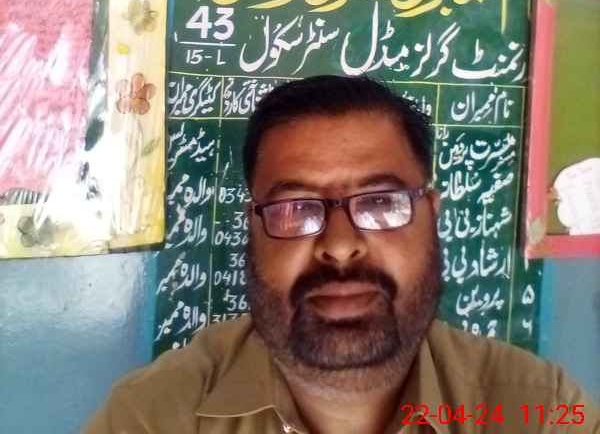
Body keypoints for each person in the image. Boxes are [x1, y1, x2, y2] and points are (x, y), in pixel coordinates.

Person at [84, 76, 600, 434]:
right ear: (252, 227)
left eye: (381, 203)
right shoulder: (152, 418)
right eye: (295, 208)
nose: (339, 244)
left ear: (432, 215)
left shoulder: (542, 411)